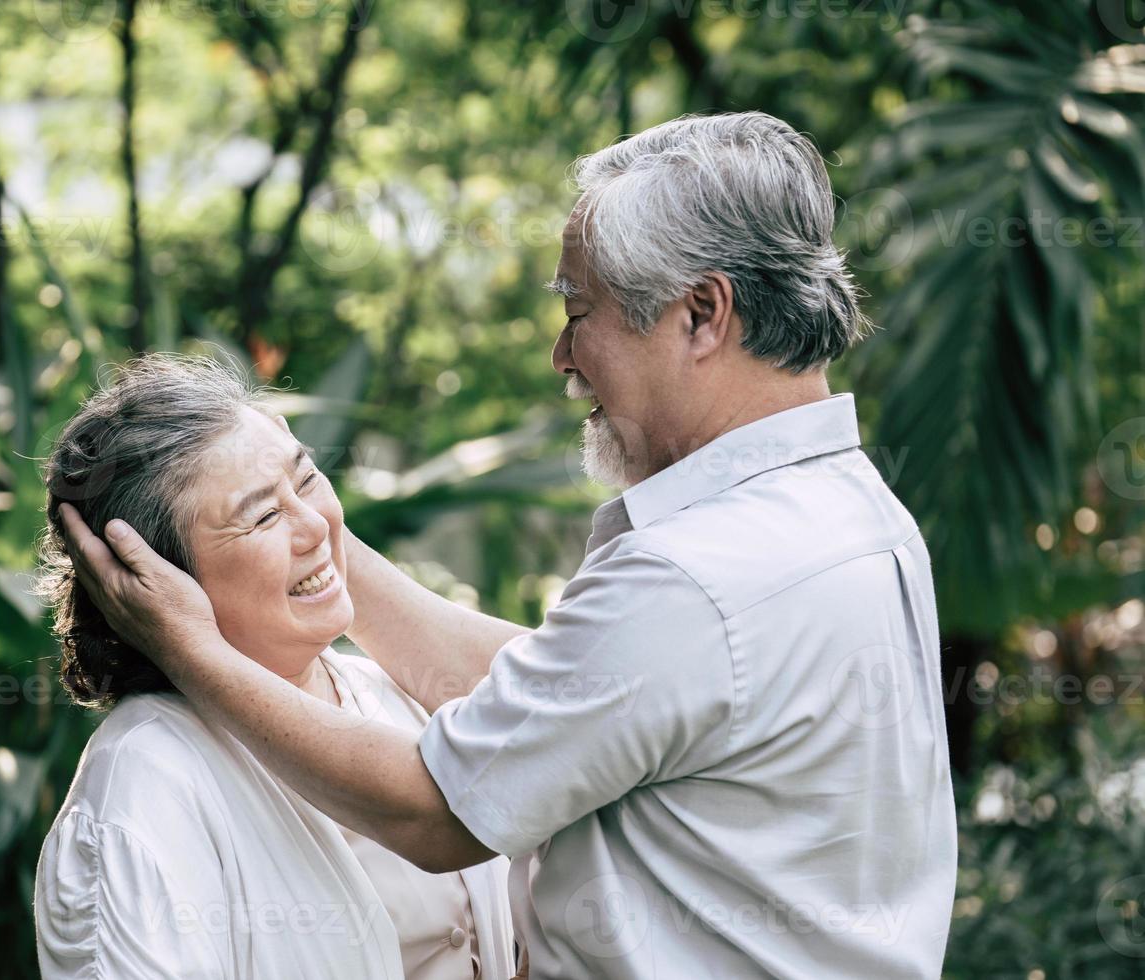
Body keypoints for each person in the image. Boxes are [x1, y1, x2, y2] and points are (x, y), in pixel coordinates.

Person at [59, 111, 959, 978]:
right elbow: (577, 687)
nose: (563, 356)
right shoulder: (853, 516)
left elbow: (437, 808)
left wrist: (193, 641)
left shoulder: (698, 578)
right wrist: (313, 530)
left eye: (581, 311)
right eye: (263, 510)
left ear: (701, 314)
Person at [32, 354, 516, 979]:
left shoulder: (389, 691)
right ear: (157, 578)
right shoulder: (143, 787)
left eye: (308, 478)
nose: (315, 524)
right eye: (262, 516)